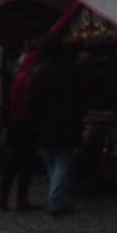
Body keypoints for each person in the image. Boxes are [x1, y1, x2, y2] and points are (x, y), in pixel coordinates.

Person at [29, 34, 84, 216]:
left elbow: (33, 103)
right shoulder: (69, 71)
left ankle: (58, 198)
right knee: (61, 161)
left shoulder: (38, 73)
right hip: (65, 124)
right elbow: (78, 101)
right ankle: (56, 200)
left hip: (45, 125)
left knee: (52, 162)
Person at [0, 46, 42, 213]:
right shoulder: (29, 79)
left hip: (16, 122)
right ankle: (21, 200)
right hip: (26, 124)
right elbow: (30, 103)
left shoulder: (19, 77)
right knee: (25, 163)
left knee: (13, 161)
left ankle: (3, 195)